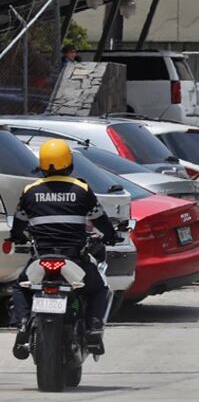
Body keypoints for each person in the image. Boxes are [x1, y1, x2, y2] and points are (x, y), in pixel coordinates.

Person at [6, 140, 120, 359]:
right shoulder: (82, 189)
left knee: (21, 287)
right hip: (73, 260)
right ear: (68, 162)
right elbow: (101, 220)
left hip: (41, 260)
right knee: (99, 288)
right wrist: (111, 236)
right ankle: (94, 329)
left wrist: (17, 237)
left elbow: (19, 224)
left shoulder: (30, 191)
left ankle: (21, 324)